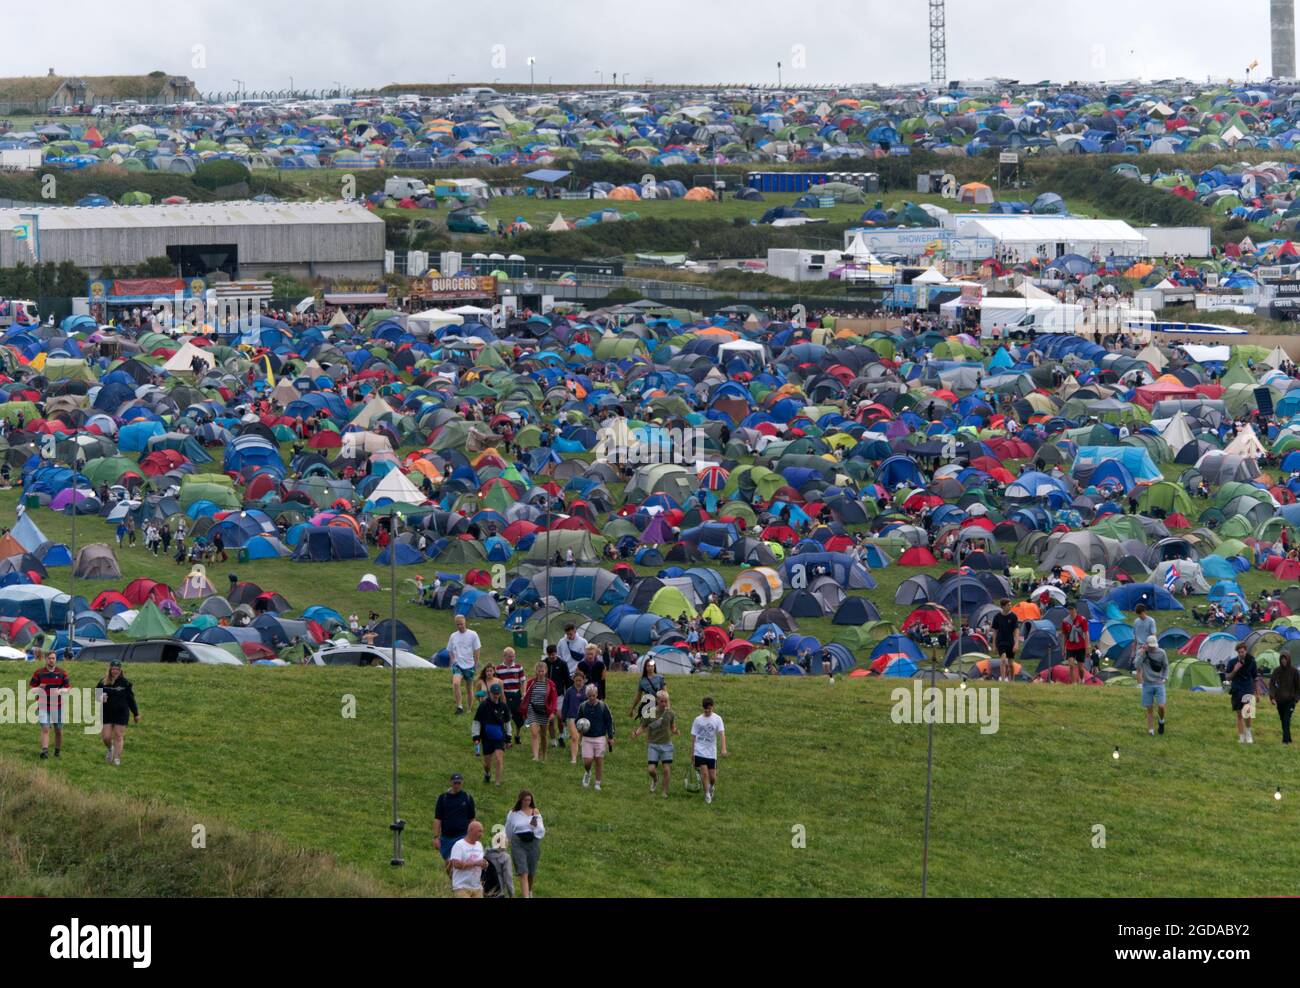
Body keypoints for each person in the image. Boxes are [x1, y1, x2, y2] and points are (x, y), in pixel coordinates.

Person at [632, 689, 679, 797]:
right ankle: (655, 779)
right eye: (662, 701)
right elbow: (643, 726)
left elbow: (672, 727)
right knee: (651, 769)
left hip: (666, 745)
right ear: (657, 700)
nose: (664, 704)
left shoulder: (670, 713)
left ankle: (665, 792)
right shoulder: (649, 712)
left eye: (665, 701)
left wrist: (675, 731)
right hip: (653, 745)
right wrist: (636, 733)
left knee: (666, 770)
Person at [29, 650, 70, 759]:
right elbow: (32, 689)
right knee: (45, 728)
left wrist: (60, 691)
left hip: (58, 706)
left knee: (58, 730)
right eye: (49, 658)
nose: (51, 660)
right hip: (43, 706)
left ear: (56, 659)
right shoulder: (39, 673)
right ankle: (45, 751)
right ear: (45, 659)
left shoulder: (62, 673)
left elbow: (68, 688)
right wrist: (39, 688)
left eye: (53, 658)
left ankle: (57, 751)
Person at [98, 659, 139, 765]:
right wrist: (100, 697)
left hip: (121, 713)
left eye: (117, 669)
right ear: (110, 669)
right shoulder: (103, 682)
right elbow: (96, 694)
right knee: (106, 737)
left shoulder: (126, 683)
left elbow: (131, 699)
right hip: (107, 712)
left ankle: (117, 759)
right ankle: (110, 749)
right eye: (113, 669)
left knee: (118, 735)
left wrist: (136, 713)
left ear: (121, 670)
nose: (115, 671)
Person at [505, 790, 545, 898]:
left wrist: (534, 822)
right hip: (518, 843)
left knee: (531, 872)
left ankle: (529, 891)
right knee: (523, 872)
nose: (527, 802)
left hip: (533, 843)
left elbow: (541, 830)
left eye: (529, 800)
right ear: (520, 800)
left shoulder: (535, 812)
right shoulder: (513, 813)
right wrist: (506, 841)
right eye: (525, 800)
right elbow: (508, 828)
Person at [473, 682, 513, 786]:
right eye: (494, 693)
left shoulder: (503, 706)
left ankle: (497, 782)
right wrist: (476, 737)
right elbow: (476, 721)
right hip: (486, 738)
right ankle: (487, 773)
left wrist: (509, 738)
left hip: (500, 737)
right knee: (487, 764)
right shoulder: (483, 706)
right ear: (490, 693)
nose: (496, 695)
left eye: (498, 693)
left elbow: (508, 723)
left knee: (499, 759)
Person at [577, 683, 614, 792]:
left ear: (597, 694)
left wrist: (610, 737)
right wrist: (580, 727)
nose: (592, 698)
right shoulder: (583, 706)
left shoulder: (603, 706)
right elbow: (577, 720)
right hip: (587, 738)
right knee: (587, 761)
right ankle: (588, 772)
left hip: (600, 738)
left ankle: (597, 783)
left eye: (593, 695)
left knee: (599, 761)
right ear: (586, 696)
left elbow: (609, 721)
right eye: (589, 696)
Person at [691, 697, 727, 804]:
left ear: (712, 707)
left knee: (713, 777)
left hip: (711, 752)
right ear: (703, 708)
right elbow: (693, 737)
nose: (707, 711)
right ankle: (707, 794)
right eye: (705, 709)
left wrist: (723, 748)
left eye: (709, 709)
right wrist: (692, 753)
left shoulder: (718, 719)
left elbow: (722, 734)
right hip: (699, 750)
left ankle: (711, 786)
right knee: (704, 774)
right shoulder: (697, 720)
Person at [433, 772, 476, 862]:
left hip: (462, 836)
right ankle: (453, 876)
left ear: (462, 783)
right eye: (455, 783)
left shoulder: (467, 798)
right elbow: (438, 818)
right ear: (451, 782)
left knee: (457, 861)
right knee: (448, 863)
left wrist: (473, 835)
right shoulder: (443, 798)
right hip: (446, 837)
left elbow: (472, 819)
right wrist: (436, 837)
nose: (456, 785)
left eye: (458, 783)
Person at [522, 660, 557, 761]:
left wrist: (552, 712)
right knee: (534, 733)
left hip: (544, 711)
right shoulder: (531, 682)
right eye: (539, 671)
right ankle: (535, 756)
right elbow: (526, 694)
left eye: (542, 671)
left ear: (545, 671)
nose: (540, 673)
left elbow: (554, 699)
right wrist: (523, 697)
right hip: (532, 709)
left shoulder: (550, 684)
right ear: (536, 671)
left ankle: (544, 754)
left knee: (543, 735)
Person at [447, 614, 481, 715]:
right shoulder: (453, 636)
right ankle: (459, 706)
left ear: (465, 622)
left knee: (469, 688)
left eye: (461, 624)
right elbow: (449, 649)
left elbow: (477, 650)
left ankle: (469, 709)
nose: (460, 626)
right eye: (458, 625)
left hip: (470, 665)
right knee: (456, 683)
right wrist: (453, 659)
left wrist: (475, 663)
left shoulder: (473, 634)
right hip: (458, 665)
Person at [1134, 635, 1168, 737]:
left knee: (1161, 706)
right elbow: (1136, 665)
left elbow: (1166, 666)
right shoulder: (1143, 653)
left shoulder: (1162, 653)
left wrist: (1165, 677)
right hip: (1147, 684)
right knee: (1149, 708)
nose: (1152, 648)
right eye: (1150, 646)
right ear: (1146, 645)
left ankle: (1161, 720)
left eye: (1154, 646)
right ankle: (1151, 730)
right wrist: (1142, 653)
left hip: (1159, 683)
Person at [1226, 642, 1259, 744]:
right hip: (1237, 690)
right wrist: (1235, 670)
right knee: (1239, 715)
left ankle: (1248, 732)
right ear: (1237, 652)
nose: (1241, 653)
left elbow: (1255, 678)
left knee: (1247, 711)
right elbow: (1228, 678)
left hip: (1248, 689)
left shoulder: (1252, 661)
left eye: (1243, 652)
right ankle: (1241, 737)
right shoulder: (1232, 662)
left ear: (1245, 651)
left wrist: (1257, 693)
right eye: (1239, 652)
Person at [448, 820, 488, 898]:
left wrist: (485, 864)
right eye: (479, 831)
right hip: (461, 887)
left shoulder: (479, 845)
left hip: (477, 887)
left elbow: (480, 862)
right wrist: (476, 863)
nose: (481, 834)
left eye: (482, 832)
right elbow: (456, 864)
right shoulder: (459, 845)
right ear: (471, 830)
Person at [544, 643, 572, 750]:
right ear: (548, 654)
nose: (552, 656)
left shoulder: (562, 664)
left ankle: (561, 736)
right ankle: (553, 740)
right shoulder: (544, 664)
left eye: (554, 654)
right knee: (550, 720)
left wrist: (569, 694)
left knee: (560, 718)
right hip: (547, 697)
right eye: (550, 654)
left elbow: (567, 680)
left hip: (559, 695)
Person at [1269, 652, 1300, 745]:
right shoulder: (1276, 671)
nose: (1283, 660)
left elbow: (1298, 686)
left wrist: (1296, 698)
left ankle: (1285, 741)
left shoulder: (1294, 671)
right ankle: (1289, 738)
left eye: (1285, 659)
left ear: (1288, 659)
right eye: (1282, 659)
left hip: (1290, 701)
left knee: (1286, 719)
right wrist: (1272, 697)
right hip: (1279, 701)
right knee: (1283, 720)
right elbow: (1272, 685)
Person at [496, 647, 525, 740]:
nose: (512, 658)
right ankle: (507, 736)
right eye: (509, 656)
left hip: (516, 694)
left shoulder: (518, 667)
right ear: (504, 656)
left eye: (513, 656)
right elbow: (496, 683)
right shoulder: (498, 669)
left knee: (519, 717)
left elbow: (523, 681)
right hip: (505, 695)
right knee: (505, 716)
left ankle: (517, 735)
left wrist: (523, 693)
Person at [990, 599, 1019, 683]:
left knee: (1011, 664)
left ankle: (1011, 680)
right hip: (1000, 641)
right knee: (1002, 659)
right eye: (1008, 605)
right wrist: (994, 645)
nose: (1010, 606)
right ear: (1003, 606)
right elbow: (995, 631)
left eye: (1010, 605)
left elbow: (1016, 630)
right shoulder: (997, 617)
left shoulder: (1013, 616)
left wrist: (1016, 643)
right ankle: (1003, 680)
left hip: (1010, 641)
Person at [561, 669, 587, 764]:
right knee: (575, 737)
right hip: (571, 717)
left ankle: (581, 752)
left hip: (584, 718)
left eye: (580, 680)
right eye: (577, 680)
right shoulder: (569, 691)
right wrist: (563, 718)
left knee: (583, 738)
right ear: (573, 680)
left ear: (584, 680)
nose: (579, 682)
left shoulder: (587, 690)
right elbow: (565, 705)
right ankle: (573, 759)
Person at [1061, 603, 1089, 684]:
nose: (1070, 611)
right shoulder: (1065, 621)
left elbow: (1086, 634)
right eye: (1069, 609)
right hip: (1070, 646)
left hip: (1081, 646)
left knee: (1080, 668)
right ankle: (1074, 683)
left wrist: (1087, 648)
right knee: (1071, 665)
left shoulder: (1082, 619)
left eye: (1072, 609)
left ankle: (1082, 679)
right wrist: (1063, 649)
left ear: (1076, 610)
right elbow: (1064, 636)